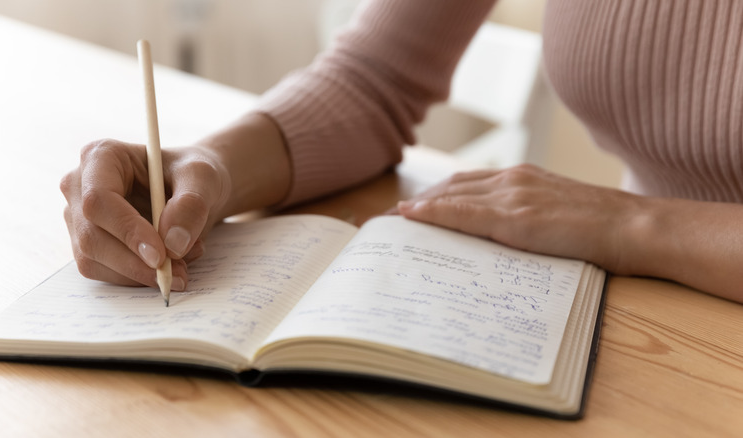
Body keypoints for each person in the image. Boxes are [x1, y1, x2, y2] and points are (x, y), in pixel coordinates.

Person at [60, 0, 743, 304]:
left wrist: (635, 225)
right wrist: (211, 166)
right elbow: (375, 78)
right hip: (648, 308)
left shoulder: (629, 230)